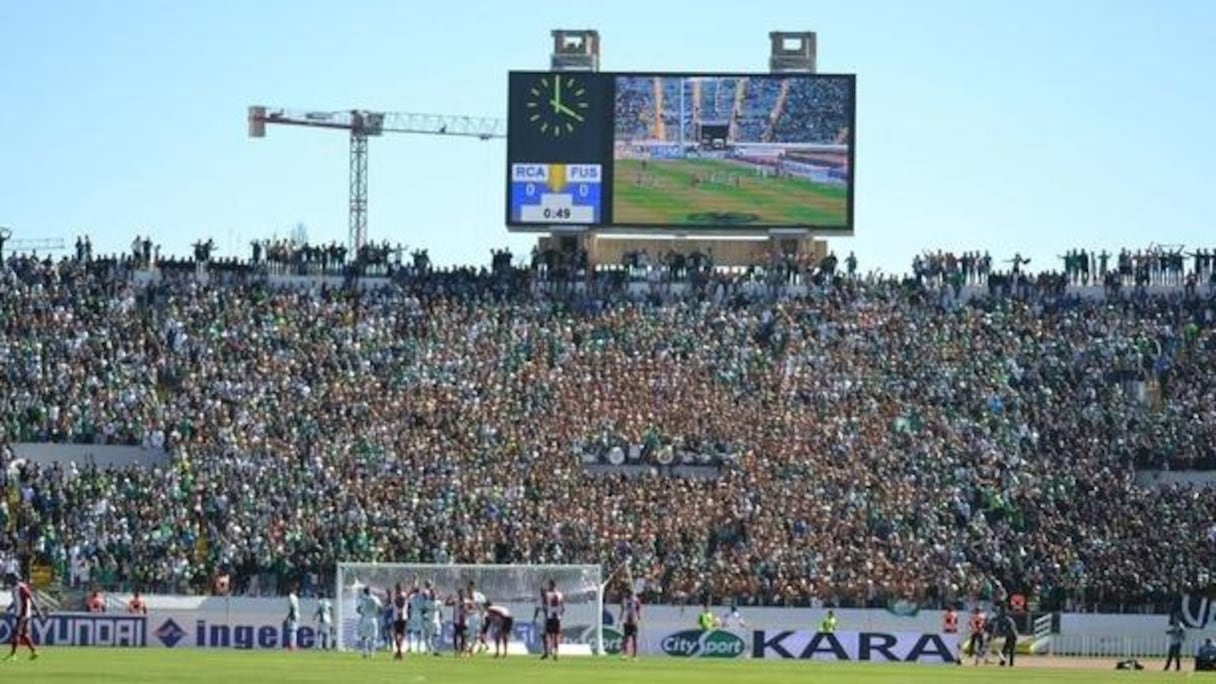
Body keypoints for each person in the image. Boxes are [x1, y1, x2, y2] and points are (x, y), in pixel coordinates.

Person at [4, 575, 44, 662]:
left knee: (16, 633)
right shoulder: (15, 588)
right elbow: (16, 600)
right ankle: (34, 652)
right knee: (24, 634)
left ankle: (13, 655)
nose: (8, 581)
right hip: (21, 614)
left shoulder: (21, 587)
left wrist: (38, 611)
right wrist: (9, 608)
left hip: (23, 614)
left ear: (14, 579)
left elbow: (31, 598)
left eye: (9, 579)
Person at [539, 579, 565, 660]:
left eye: (549, 585)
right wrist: (560, 615)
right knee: (556, 636)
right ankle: (555, 652)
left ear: (551, 585)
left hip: (549, 617)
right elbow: (563, 608)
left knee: (546, 635)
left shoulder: (548, 594)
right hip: (557, 618)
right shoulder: (560, 594)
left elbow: (544, 603)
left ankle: (547, 652)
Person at [357, 586, 383, 659]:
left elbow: (358, 609)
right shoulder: (375, 598)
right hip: (373, 619)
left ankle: (364, 652)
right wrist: (377, 614)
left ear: (364, 592)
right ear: (370, 591)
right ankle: (372, 654)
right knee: (373, 637)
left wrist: (362, 612)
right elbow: (381, 608)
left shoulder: (363, 599)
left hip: (365, 618)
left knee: (364, 637)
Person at [620, 589, 642, 659]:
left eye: (626, 593)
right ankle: (625, 654)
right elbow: (622, 610)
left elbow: (639, 608)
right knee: (625, 638)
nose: (625, 594)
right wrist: (620, 619)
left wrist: (638, 616)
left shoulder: (635, 600)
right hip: (626, 621)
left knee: (634, 638)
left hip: (633, 621)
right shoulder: (624, 600)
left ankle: (635, 655)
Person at [422, 581, 442, 656]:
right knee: (434, 636)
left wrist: (424, 616)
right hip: (435, 622)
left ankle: (430, 650)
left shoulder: (427, 602)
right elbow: (441, 611)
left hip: (430, 621)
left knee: (429, 636)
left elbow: (423, 611)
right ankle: (433, 650)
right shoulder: (438, 602)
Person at [448, 588, 470, 657]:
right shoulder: (456, 601)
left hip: (464, 621)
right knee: (455, 636)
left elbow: (473, 609)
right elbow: (447, 604)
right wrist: (449, 597)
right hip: (457, 621)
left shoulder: (467, 602)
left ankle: (463, 651)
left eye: (462, 593)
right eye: (460, 593)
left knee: (464, 637)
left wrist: (467, 611)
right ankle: (456, 650)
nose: (461, 595)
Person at [406, 581, 426, 654]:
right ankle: (418, 647)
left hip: (413, 615)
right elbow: (424, 607)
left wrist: (408, 614)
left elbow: (409, 606)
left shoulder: (411, 597)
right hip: (419, 615)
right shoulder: (421, 597)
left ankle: (410, 647)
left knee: (410, 631)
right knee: (419, 632)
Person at [391, 583, 408, 660]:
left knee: (397, 635)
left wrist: (400, 614)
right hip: (402, 617)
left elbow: (400, 606)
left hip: (399, 618)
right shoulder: (401, 595)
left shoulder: (399, 596)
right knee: (400, 635)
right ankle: (399, 651)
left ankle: (399, 651)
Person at [285, 585, 300, 651]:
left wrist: (290, 616)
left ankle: (292, 646)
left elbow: (292, 607)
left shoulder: (291, 597)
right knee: (293, 631)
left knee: (292, 631)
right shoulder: (295, 597)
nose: (296, 591)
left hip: (293, 615)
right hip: (296, 614)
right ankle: (292, 645)